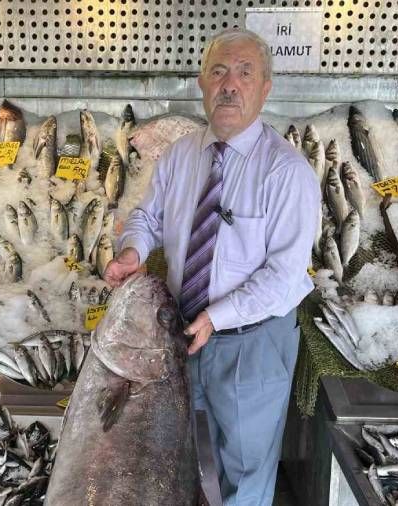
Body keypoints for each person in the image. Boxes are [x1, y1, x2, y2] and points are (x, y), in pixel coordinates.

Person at [103, 28, 320, 505]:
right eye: (218, 72)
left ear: (265, 88)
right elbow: (147, 217)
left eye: (245, 74)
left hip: (252, 342)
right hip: (183, 334)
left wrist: (217, 317)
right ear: (201, 83)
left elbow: (286, 276)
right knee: (183, 455)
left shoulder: (287, 172)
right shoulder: (180, 155)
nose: (230, 85)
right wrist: (133, 250)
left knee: (244, 470)